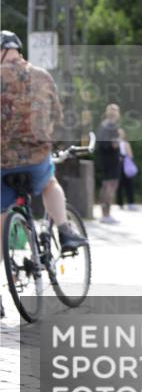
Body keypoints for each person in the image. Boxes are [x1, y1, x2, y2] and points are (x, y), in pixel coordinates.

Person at [0, 30, 86, 250]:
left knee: (2, 217)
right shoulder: (42, 76)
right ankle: (65, 232)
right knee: (50, 183)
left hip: (2, 165)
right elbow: (57, 118)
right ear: (17, 50)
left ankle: (5, 259)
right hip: (35, 161)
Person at [96, 104, 122, 223]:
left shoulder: (104, 125)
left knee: (106, 185)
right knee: (110, 186)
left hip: (105, 159)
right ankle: (106, 214)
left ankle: (105, 214)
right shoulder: (110, 126)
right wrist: (118, 139)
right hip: (111, 159)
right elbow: (110, 144)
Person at [116, 128, 137, 210]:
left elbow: (130, 155)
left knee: (129, 184)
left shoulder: (125, 144)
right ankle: (121, 203)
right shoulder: (116, 143)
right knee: (120, 185)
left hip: (125, 165)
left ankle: (129, 203)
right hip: (118, 165)